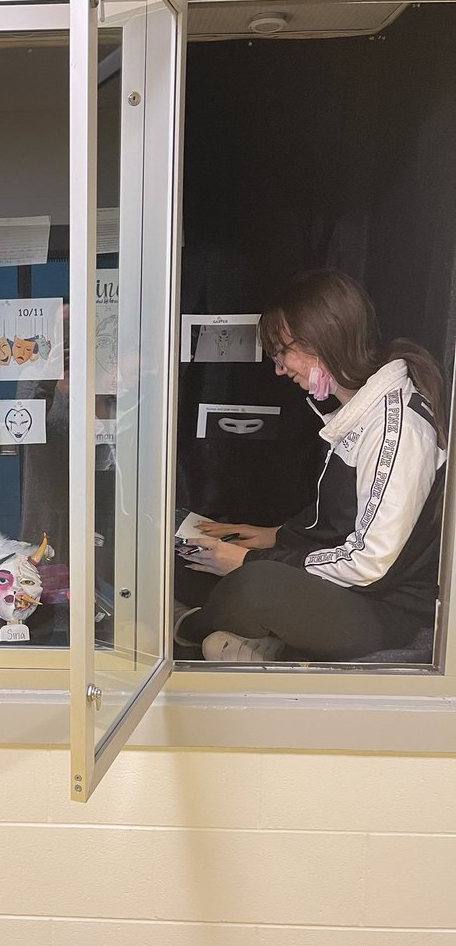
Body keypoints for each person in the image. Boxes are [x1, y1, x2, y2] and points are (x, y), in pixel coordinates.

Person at [174, 268, 448, 662]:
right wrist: (270, 536)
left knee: (255, 585)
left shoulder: (397, 426)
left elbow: (370, 562)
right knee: (195, 560)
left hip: (386, 609)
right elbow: (339, 519)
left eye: (283, 351)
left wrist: (251, 560)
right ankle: (254, 636)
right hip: (350, 591)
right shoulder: (361, 410)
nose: (280, 368)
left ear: (323, 340)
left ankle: (187, 627)